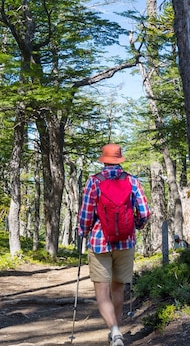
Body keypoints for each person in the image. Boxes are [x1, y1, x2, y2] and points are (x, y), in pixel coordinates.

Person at [77, 143, 151, 346]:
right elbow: (144, 212)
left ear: (104, 160)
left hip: (100, 243)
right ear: (119, 160)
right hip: (126, 243)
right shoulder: (132, 181)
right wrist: (136, 226)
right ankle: (116, 333)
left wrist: (83, 232)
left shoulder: (94, 182)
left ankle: (115, 331)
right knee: (118, 290)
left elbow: (86, 214)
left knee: (102, 293)